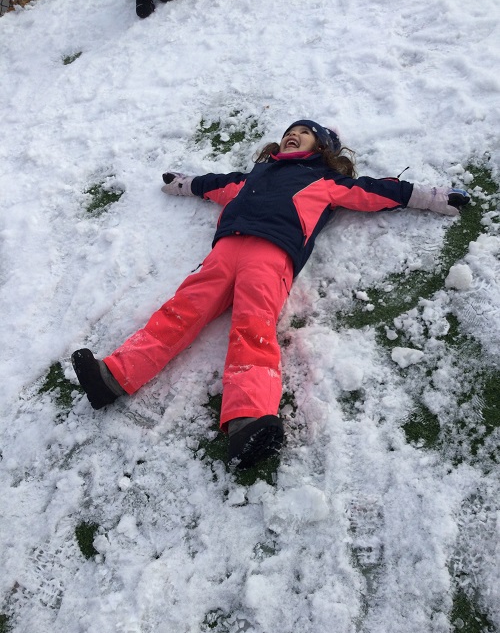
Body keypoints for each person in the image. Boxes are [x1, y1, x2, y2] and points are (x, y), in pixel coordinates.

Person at [71, 119, 469, 469]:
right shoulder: (253, 178)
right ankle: (114, 376)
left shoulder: (326, 182)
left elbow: (377, 192)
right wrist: (182, 183)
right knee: (180, 310)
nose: (293, 136)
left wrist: (432, 197)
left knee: (252, 327)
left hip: (271, 255)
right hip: (224, 253)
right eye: (289, 133)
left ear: (323, 148)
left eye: (305, 134)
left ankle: (250, 418)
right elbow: (215, 185)